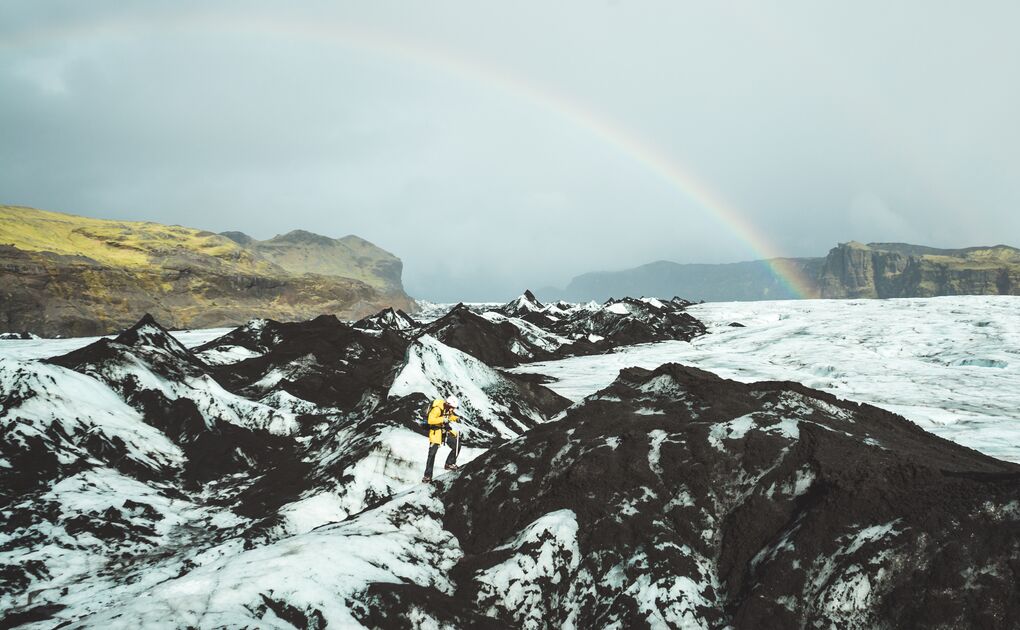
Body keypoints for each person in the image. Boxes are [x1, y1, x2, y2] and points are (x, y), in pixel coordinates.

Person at [422, 395, 461, 482]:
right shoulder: (437, 409)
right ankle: (427, 476)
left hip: (443, 431)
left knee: (457, 445)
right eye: (452, 407)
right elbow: (430, 420)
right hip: (435, 432)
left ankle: (449, 463)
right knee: (432, 454)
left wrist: (456, 418)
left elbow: (449, 417)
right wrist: (442, 419)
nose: (453, 409)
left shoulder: (447, 409)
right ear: (448, 404)